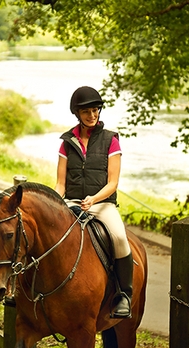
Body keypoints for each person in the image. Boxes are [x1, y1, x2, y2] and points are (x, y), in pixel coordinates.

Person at [55, 86, 133, 319]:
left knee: (119, 237)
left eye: (95, 110)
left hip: (102, 204)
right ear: (77, 114)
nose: (92, 115)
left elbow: (113, 183)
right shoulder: (66, 142)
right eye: (86, 111)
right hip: (72, 203)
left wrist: (94, 199)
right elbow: (60, 183)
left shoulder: (111, 140)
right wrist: (54, 201)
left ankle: (123, 295)